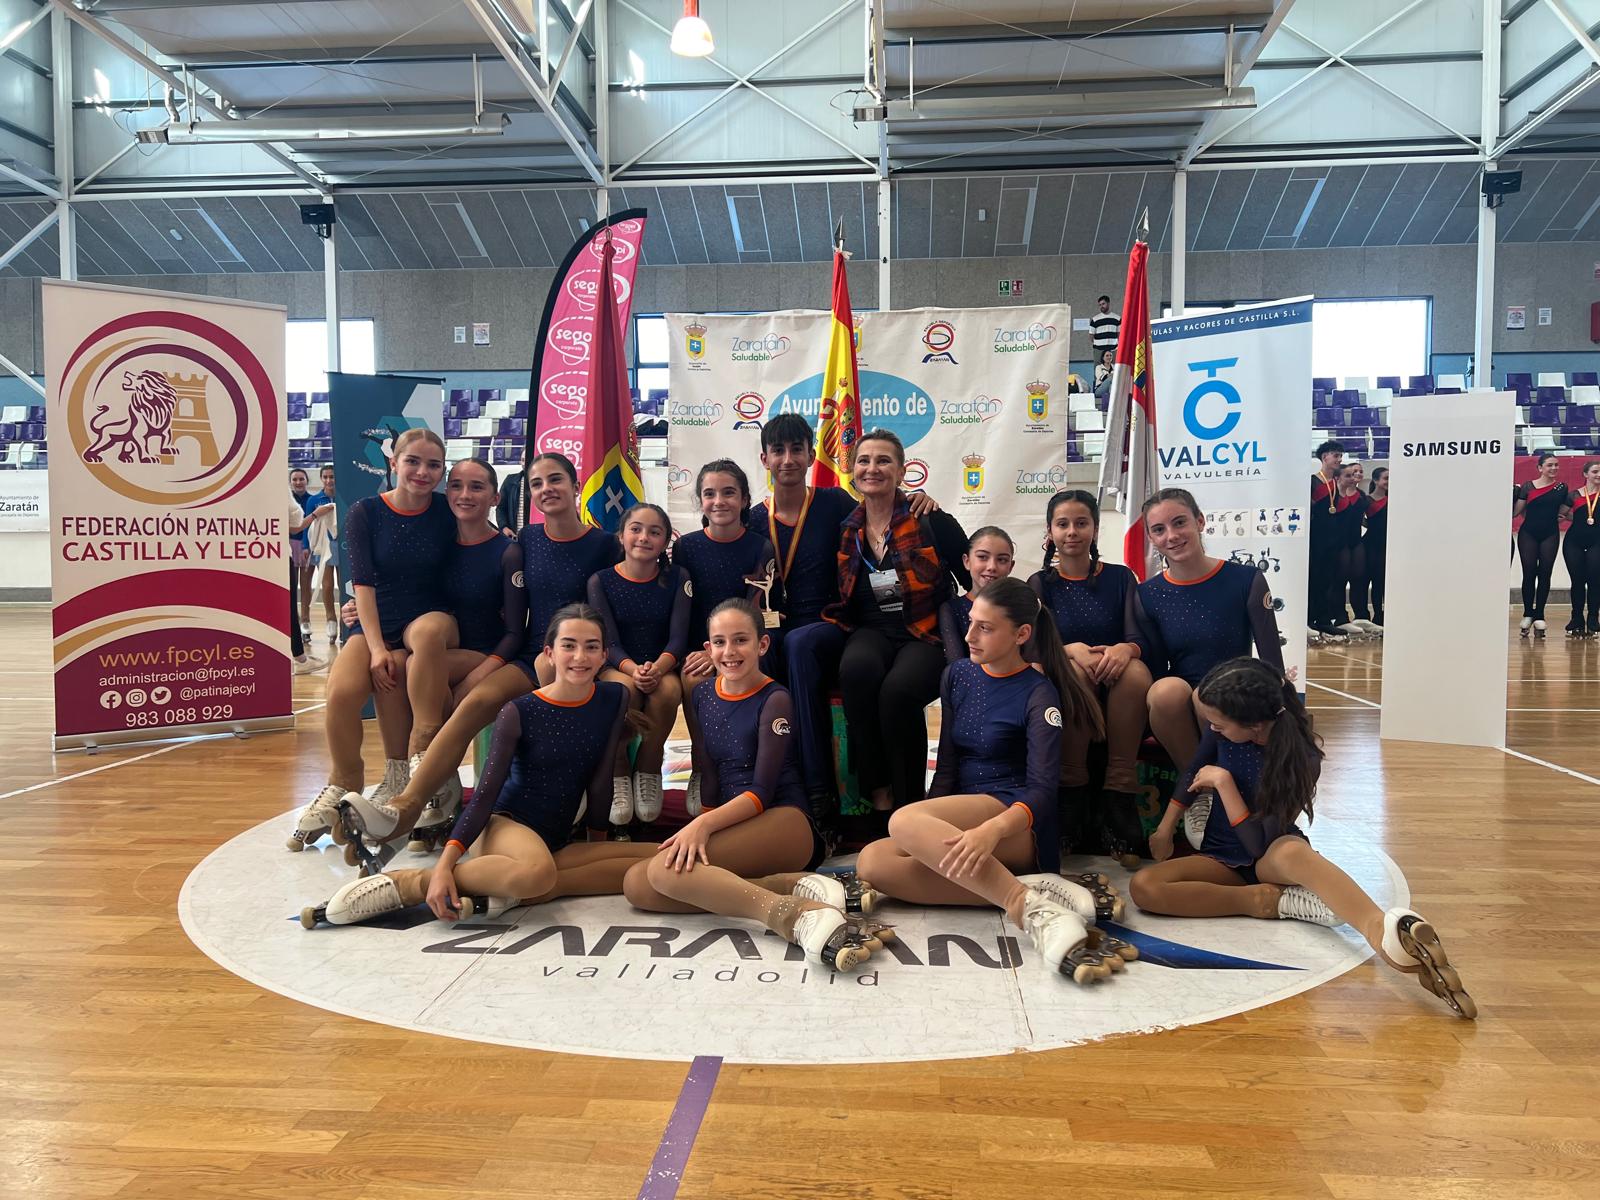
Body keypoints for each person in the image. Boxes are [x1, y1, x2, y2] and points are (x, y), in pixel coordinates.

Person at [1130, 657, 1475, 1019]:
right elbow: (1191, 772)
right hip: (1220, 856)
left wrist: (1224, 783)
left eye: (1218, 722)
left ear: (1255, 725)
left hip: (1269, 851)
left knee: (1296, 857)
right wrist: (1166, 826)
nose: (1211, 728)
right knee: (1145, 887)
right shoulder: (1222, 736)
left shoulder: (1302, 757)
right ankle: (1262, 902)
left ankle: (1382, 932)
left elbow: (1256, 844)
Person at [303, 606, 659, 928]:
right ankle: (411, 883)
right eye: (569, 645)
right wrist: (444, 865)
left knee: (655, 861)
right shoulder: (519, 711)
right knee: (536, 873)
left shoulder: (615, 698)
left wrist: (596, 842)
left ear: (604, 656)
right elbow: (486, 794)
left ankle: (514, 891)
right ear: (549, 653)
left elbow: (600, 780)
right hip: (504, 825)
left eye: (591, 647)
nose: (580, 657)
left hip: (555, 838)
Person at [337, 451, 620, 852]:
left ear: (577, 487)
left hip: (586, 658)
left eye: (555, 480)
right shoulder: (525, 541)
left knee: (471, 694)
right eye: (537, 484)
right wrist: (354, 608)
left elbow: (622, 601)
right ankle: (408, 805)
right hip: (531, 653)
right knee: (454, 693)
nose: (546, 489)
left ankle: (432, 795)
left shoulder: (606, 545)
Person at [854, 578, 1129, 984]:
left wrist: (989, 831)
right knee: (873, 863)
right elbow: (946, 766)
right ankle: (1031, 891)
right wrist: (929, 826)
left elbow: (1041, 792)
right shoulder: (957, 675)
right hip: (966, 818)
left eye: (985, 627)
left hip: (1015, 821)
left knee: (901, 822)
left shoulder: (1040, 694)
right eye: (971, 622)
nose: (969, 635)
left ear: (1021, 634)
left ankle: (1024, 906)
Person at [621, 600, 874, 972]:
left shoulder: (776, 699)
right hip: (733, 821)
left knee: (660, 874)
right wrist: (705, 821)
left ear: (762, 645)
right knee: (638, 887)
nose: (730, 652)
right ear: (707, 649)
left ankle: (790, 915)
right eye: (720, 642)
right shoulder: (703, 694)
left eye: (740, 640)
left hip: (782, 821)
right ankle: (789, 885)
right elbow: (707, 767)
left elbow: (761, 791)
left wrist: (703, 826)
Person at [746, 413, 938, 820]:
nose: (787, 459)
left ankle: (819, 794)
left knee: (800, 646)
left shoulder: (834, 504)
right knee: (764, 649)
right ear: (764, 458)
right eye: (778, 450)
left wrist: (922, 499)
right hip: (776, 626)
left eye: (797, 449)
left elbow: (883, 507)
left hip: (829, 625)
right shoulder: (752, 519)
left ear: (812, 455)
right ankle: (760, 784)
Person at [286, 430, 460, 852]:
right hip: (377, 618)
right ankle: (342, 781)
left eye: (433, 465)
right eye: (413, 461)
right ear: (394, 463)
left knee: (423, 639)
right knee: (343, 691)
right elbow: (361, 584)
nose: (423, 472)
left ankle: (406, 768)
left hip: (432, 617)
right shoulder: (365, 512)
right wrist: (378, 646)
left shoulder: (447, 509)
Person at [824, 430, 971, 818]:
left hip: (924, 632)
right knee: (856, 671)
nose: (873, 468)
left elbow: (975, 582)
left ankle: (909, 804)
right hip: (870, 630)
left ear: (902, 470)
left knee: (899, 692)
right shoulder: (845, 528)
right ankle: (878, 788)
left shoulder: (931, 520)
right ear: (852, 471)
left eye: (884, 460)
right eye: (864, 461)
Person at [1030, 489, 1152, 858]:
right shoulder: (1040, 583)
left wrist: (1124, 649)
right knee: (1074, 672)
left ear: (1095, 530)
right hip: (1067, 679)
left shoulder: (1119, 578)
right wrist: (1067, 650)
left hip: (1116, 680)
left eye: (1081, 523)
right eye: (1062, 524)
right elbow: (1032, 648)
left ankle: (1120, 792)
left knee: (1134, 672)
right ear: (1050, 532)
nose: (1072, 532)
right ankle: (1072, 792)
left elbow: (1137, 637)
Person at [1134, 488, 1285, 772]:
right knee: (1164, 692)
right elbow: (1155, 670)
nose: (1172, 536)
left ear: (1200, 521)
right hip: (1181, 705)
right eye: (1159, 530)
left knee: (1205, 696)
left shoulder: (1245, 579)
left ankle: (1232, 780)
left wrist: (1281, 713)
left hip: (1235, 695)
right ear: (1152, 539)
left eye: (1179, 522)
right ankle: (1199, 790)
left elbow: (1271, 663)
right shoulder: (1147, 594)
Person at [672, 460, 775, 811]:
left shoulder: (760, 547)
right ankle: (703, 767)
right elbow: (684, 607)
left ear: (745, 499)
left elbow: (755, 609)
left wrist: (727, 649)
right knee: (692, 680)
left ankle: (746, 769)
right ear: (700, 501)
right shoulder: (686, 547)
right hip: (701, 646)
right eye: (710, 493)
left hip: (741, 645)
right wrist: (701, 651)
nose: (719, 501)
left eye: (729, 492)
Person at [587, 503, 691, 824]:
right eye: (636, 529)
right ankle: (619, 771)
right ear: (621, 536)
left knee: (668, 692)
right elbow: (609, 641)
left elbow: (678, 638)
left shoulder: (677, 578)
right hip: (616, 664)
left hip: (663, 663)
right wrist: (634, 669)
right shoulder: (600, 581)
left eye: (654, 532)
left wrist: (658, 668)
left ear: (664, 541)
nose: (644, 537)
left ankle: (648, 767)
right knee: (625, 690)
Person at [938, 526, 1016, 662]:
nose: (992, 566)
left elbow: (1031, 659)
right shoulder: (952, 609)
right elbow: (957, 667)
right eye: (983, 557)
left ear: (1011, 566)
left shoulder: (1020, 607)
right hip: (970, 682)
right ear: (966, 561)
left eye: (1002, 560)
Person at [1514, 452, 1569, 638]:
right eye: (1549, 465)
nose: (1554, 468)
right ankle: (1528, 613)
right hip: (1528, 534)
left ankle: (1540, 615)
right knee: (1529, 572)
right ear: (1540, 468)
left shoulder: (1562, 487)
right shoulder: (1528, 487)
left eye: (1556, 465)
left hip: (1550, 534)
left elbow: (1564, 512)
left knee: (1545, 573)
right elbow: (1516, 513)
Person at [285, 488, 331, 674]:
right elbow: (295, 523)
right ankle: (300, 659)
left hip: (251, 553)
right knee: (288, 608)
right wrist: (314, 515)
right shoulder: (276, 488)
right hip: (277, 552)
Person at [1307, 440, 1345, 638]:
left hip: (1332, 537)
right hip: (1315, 538)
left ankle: (1323, 619)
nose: (1339, 459)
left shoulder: (1335, 483)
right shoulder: (1312, 481)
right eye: (1335, 455)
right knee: (1313, 578)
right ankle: (1310, 619)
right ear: (1324, 457)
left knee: (1327, 580)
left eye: (1340, 455)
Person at [1329, 462, 1369, 635]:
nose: (1356, 476)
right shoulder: (1334, 495)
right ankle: (1339, 616)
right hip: (1339, 542)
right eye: (1352, 473)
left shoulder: (1360, 495)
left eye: (1359, 472)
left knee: (1359, 577)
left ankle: (1360, 615)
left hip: (1355, 541)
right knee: (1339, 579)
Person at [1563, 459, 1600, 638]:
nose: (1598, 475)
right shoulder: (1573, 495)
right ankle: (1576, 619)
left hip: (1597, 542)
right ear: (1585, 474)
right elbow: (1562, 514)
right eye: (1595, 472)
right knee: (1577, 581)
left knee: (1595, 580)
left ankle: (1593, 618)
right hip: (1573, 542)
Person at [1352, 467, 1388, 630]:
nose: (1388, 482)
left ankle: (1382, 616)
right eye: (1385, 478)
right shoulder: (1367, 500)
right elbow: (1359, 520)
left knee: (1382, 582)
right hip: (1371, 545)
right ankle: (1370, 616)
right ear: (1376, 481)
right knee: (1370, 580)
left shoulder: (1394, 500)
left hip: (1386, 545)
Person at [290, 468, 318, 646]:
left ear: (306, 481)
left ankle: (305, 621)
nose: (298, 482)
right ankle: (294, 622)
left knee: (306, 586)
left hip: (308, 546)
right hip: (290, 545)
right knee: (292, 587)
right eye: (295, 480)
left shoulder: (312, 500)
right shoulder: (287, 500)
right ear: (291, 482)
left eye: (301, 479)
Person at [1089, 293, 1120, 360]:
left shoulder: (1117, 318)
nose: (1101, 306)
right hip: (1099, 350)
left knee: (1113, 369)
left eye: (1103, 304)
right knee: (1098, 369)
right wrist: (1099, 343)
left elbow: (1119, 334)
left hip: (1113, 349)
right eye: (1100, 305)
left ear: (1108, 303)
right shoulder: (1095, 319)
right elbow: (1091, 336)